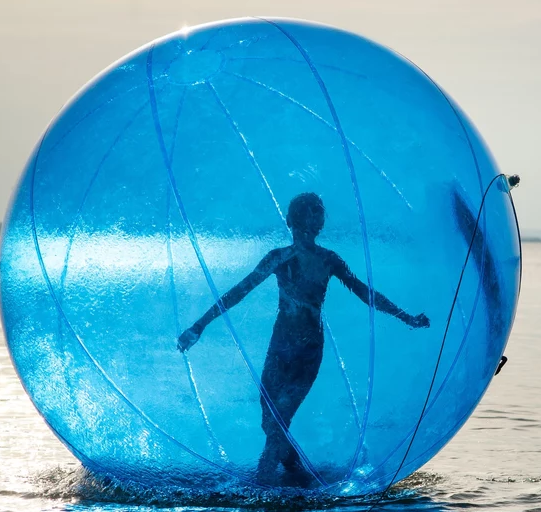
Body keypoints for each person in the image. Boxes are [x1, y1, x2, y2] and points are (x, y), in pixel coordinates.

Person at [177, 192, 429, 486]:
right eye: (313, 211)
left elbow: (365, 293)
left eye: (320, 211)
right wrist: (199, 325)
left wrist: (405, 316)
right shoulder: (279, 258)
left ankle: (262, 489)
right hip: (280, 346)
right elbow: (239, 291)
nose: (319, 216)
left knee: (279, 420)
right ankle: (298, 475)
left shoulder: (328, 260)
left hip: (307, 350)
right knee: (269, 420)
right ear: (296, 219)